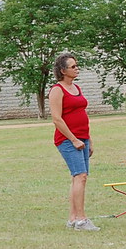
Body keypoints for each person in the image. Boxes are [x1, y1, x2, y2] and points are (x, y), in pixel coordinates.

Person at [48, 52, 99, 231]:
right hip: (68, 140)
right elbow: (57, 119)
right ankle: (81, 220)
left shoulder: (77, 88)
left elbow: (81, 115)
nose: (77, 69)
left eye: (77, 66)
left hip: (82, 138)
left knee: (78, 177)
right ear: (63, 70)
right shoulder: (57, 90)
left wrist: (88, 139)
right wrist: (73, 139)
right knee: (80, 176)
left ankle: (72, 218)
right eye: (73, 67)